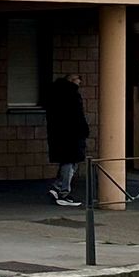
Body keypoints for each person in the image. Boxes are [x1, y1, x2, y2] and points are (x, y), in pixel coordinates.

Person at [43, 69, 89, 206]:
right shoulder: (71, 94)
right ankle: (63, 192)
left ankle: (57, 187)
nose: (80, 81)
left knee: (66, 161)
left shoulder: (54, 93)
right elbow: (77, 116)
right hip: (71, 134)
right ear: (72, 80)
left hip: (59, 134)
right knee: (70, 162)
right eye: (78, 78)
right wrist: (84, 130)